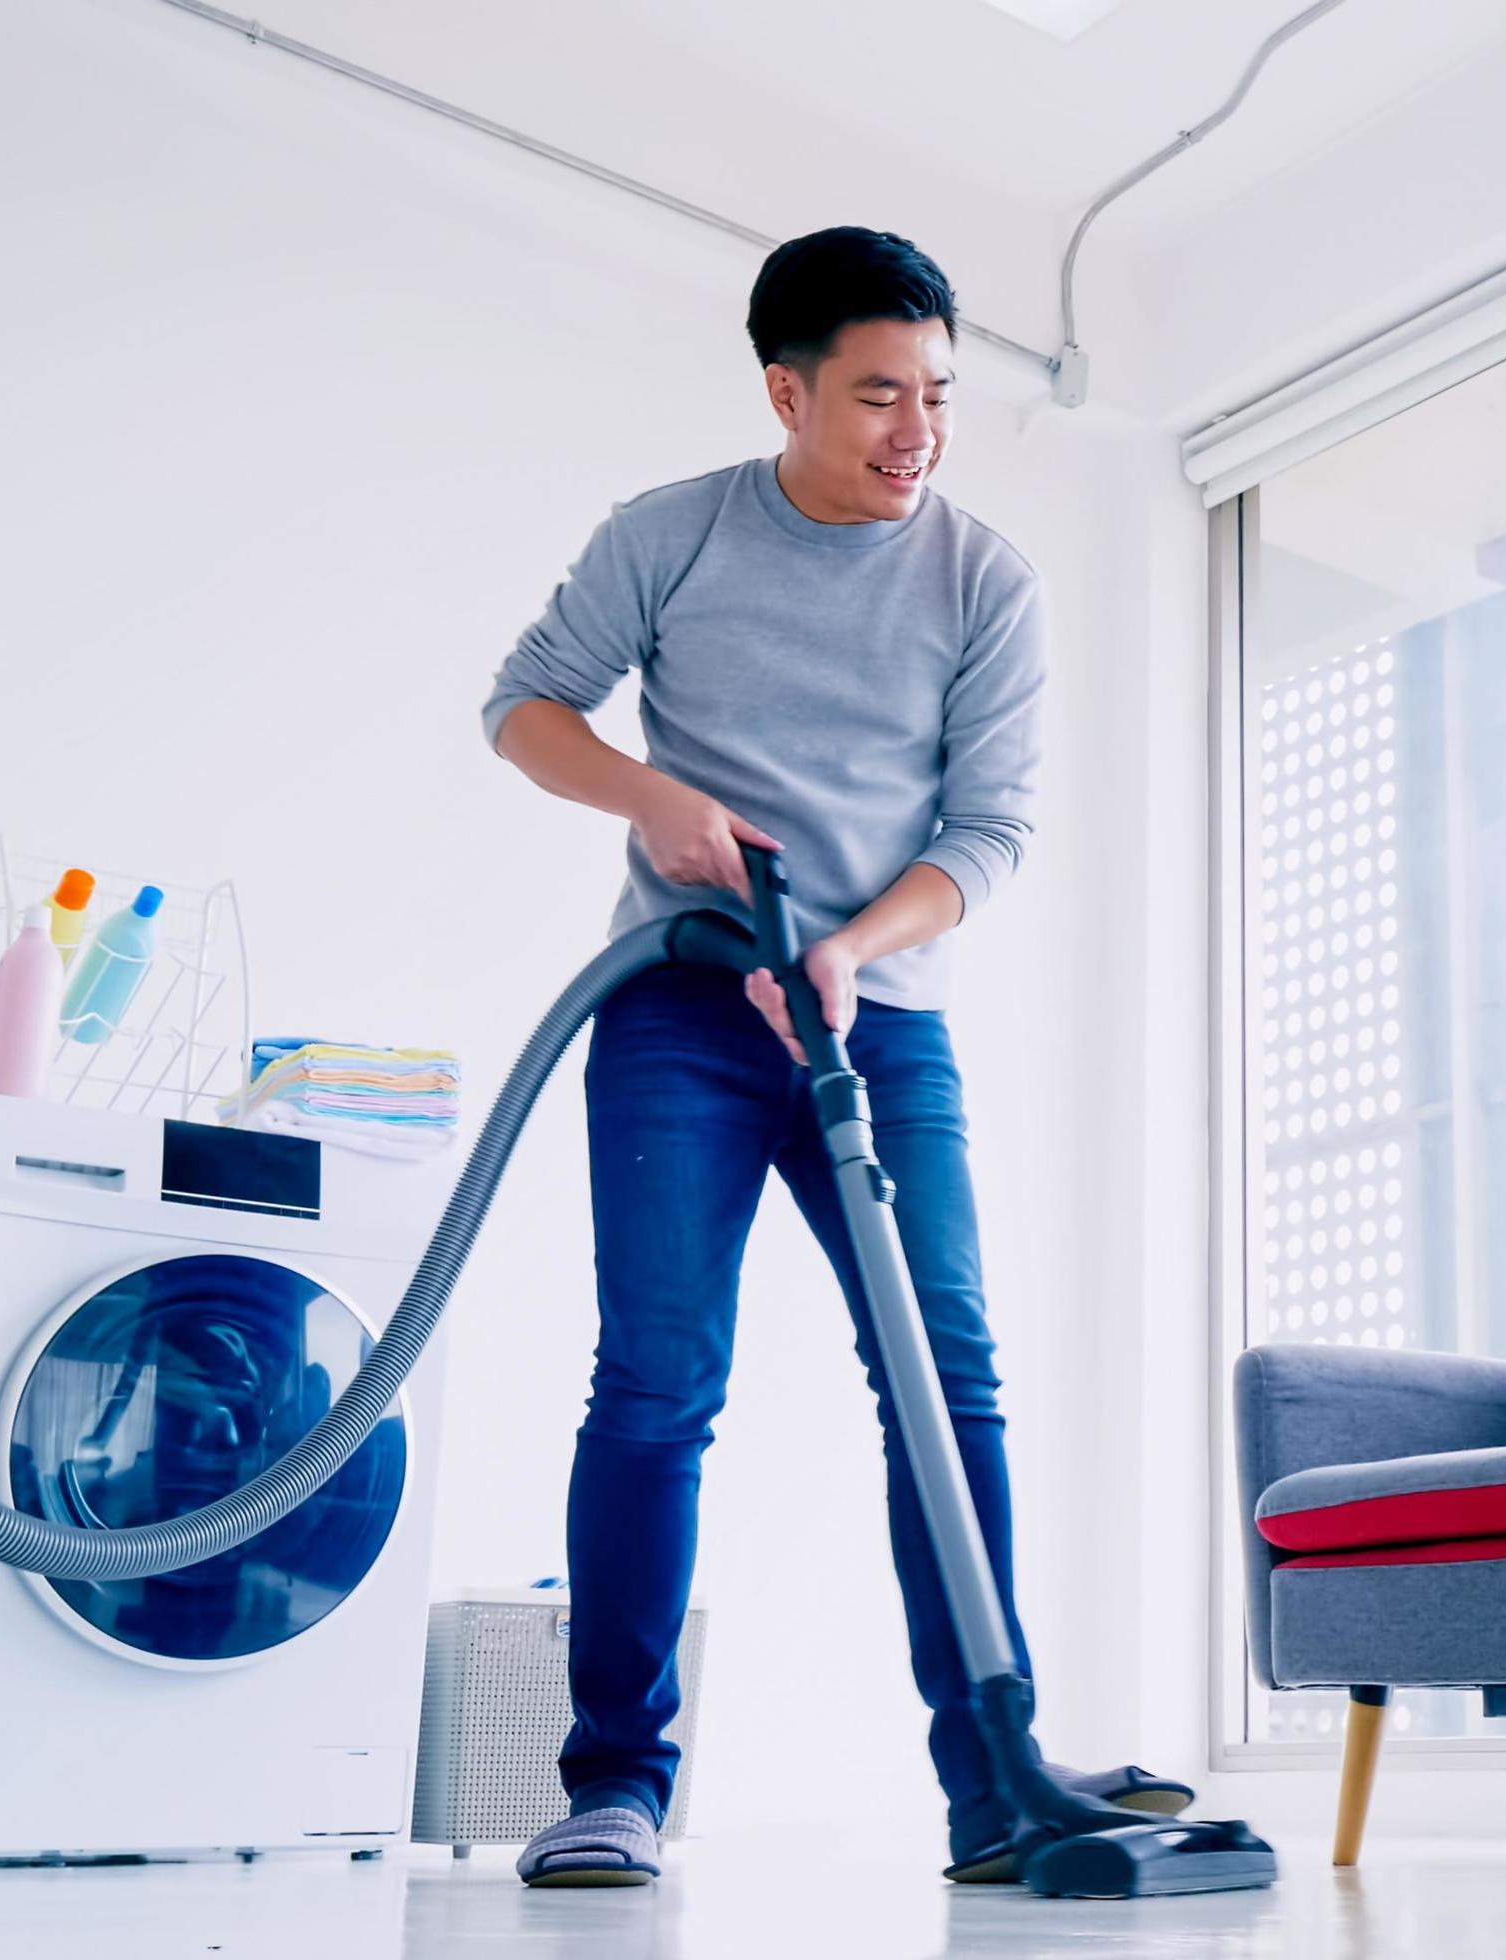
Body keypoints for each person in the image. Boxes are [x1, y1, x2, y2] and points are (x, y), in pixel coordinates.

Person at [480, 227, 1178, 1888]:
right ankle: (615, 1786)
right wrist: (653, 797)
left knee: (946, 1373)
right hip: (679, 1013)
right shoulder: (670, 535)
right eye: (878, 395)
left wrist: (853, 952)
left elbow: (988, 831)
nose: (915, 431)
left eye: (936, 393)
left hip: (882, 1019)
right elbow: (526, 706)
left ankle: (992, 1782)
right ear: (786, 394)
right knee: (658, 1380)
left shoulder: (985, 580)